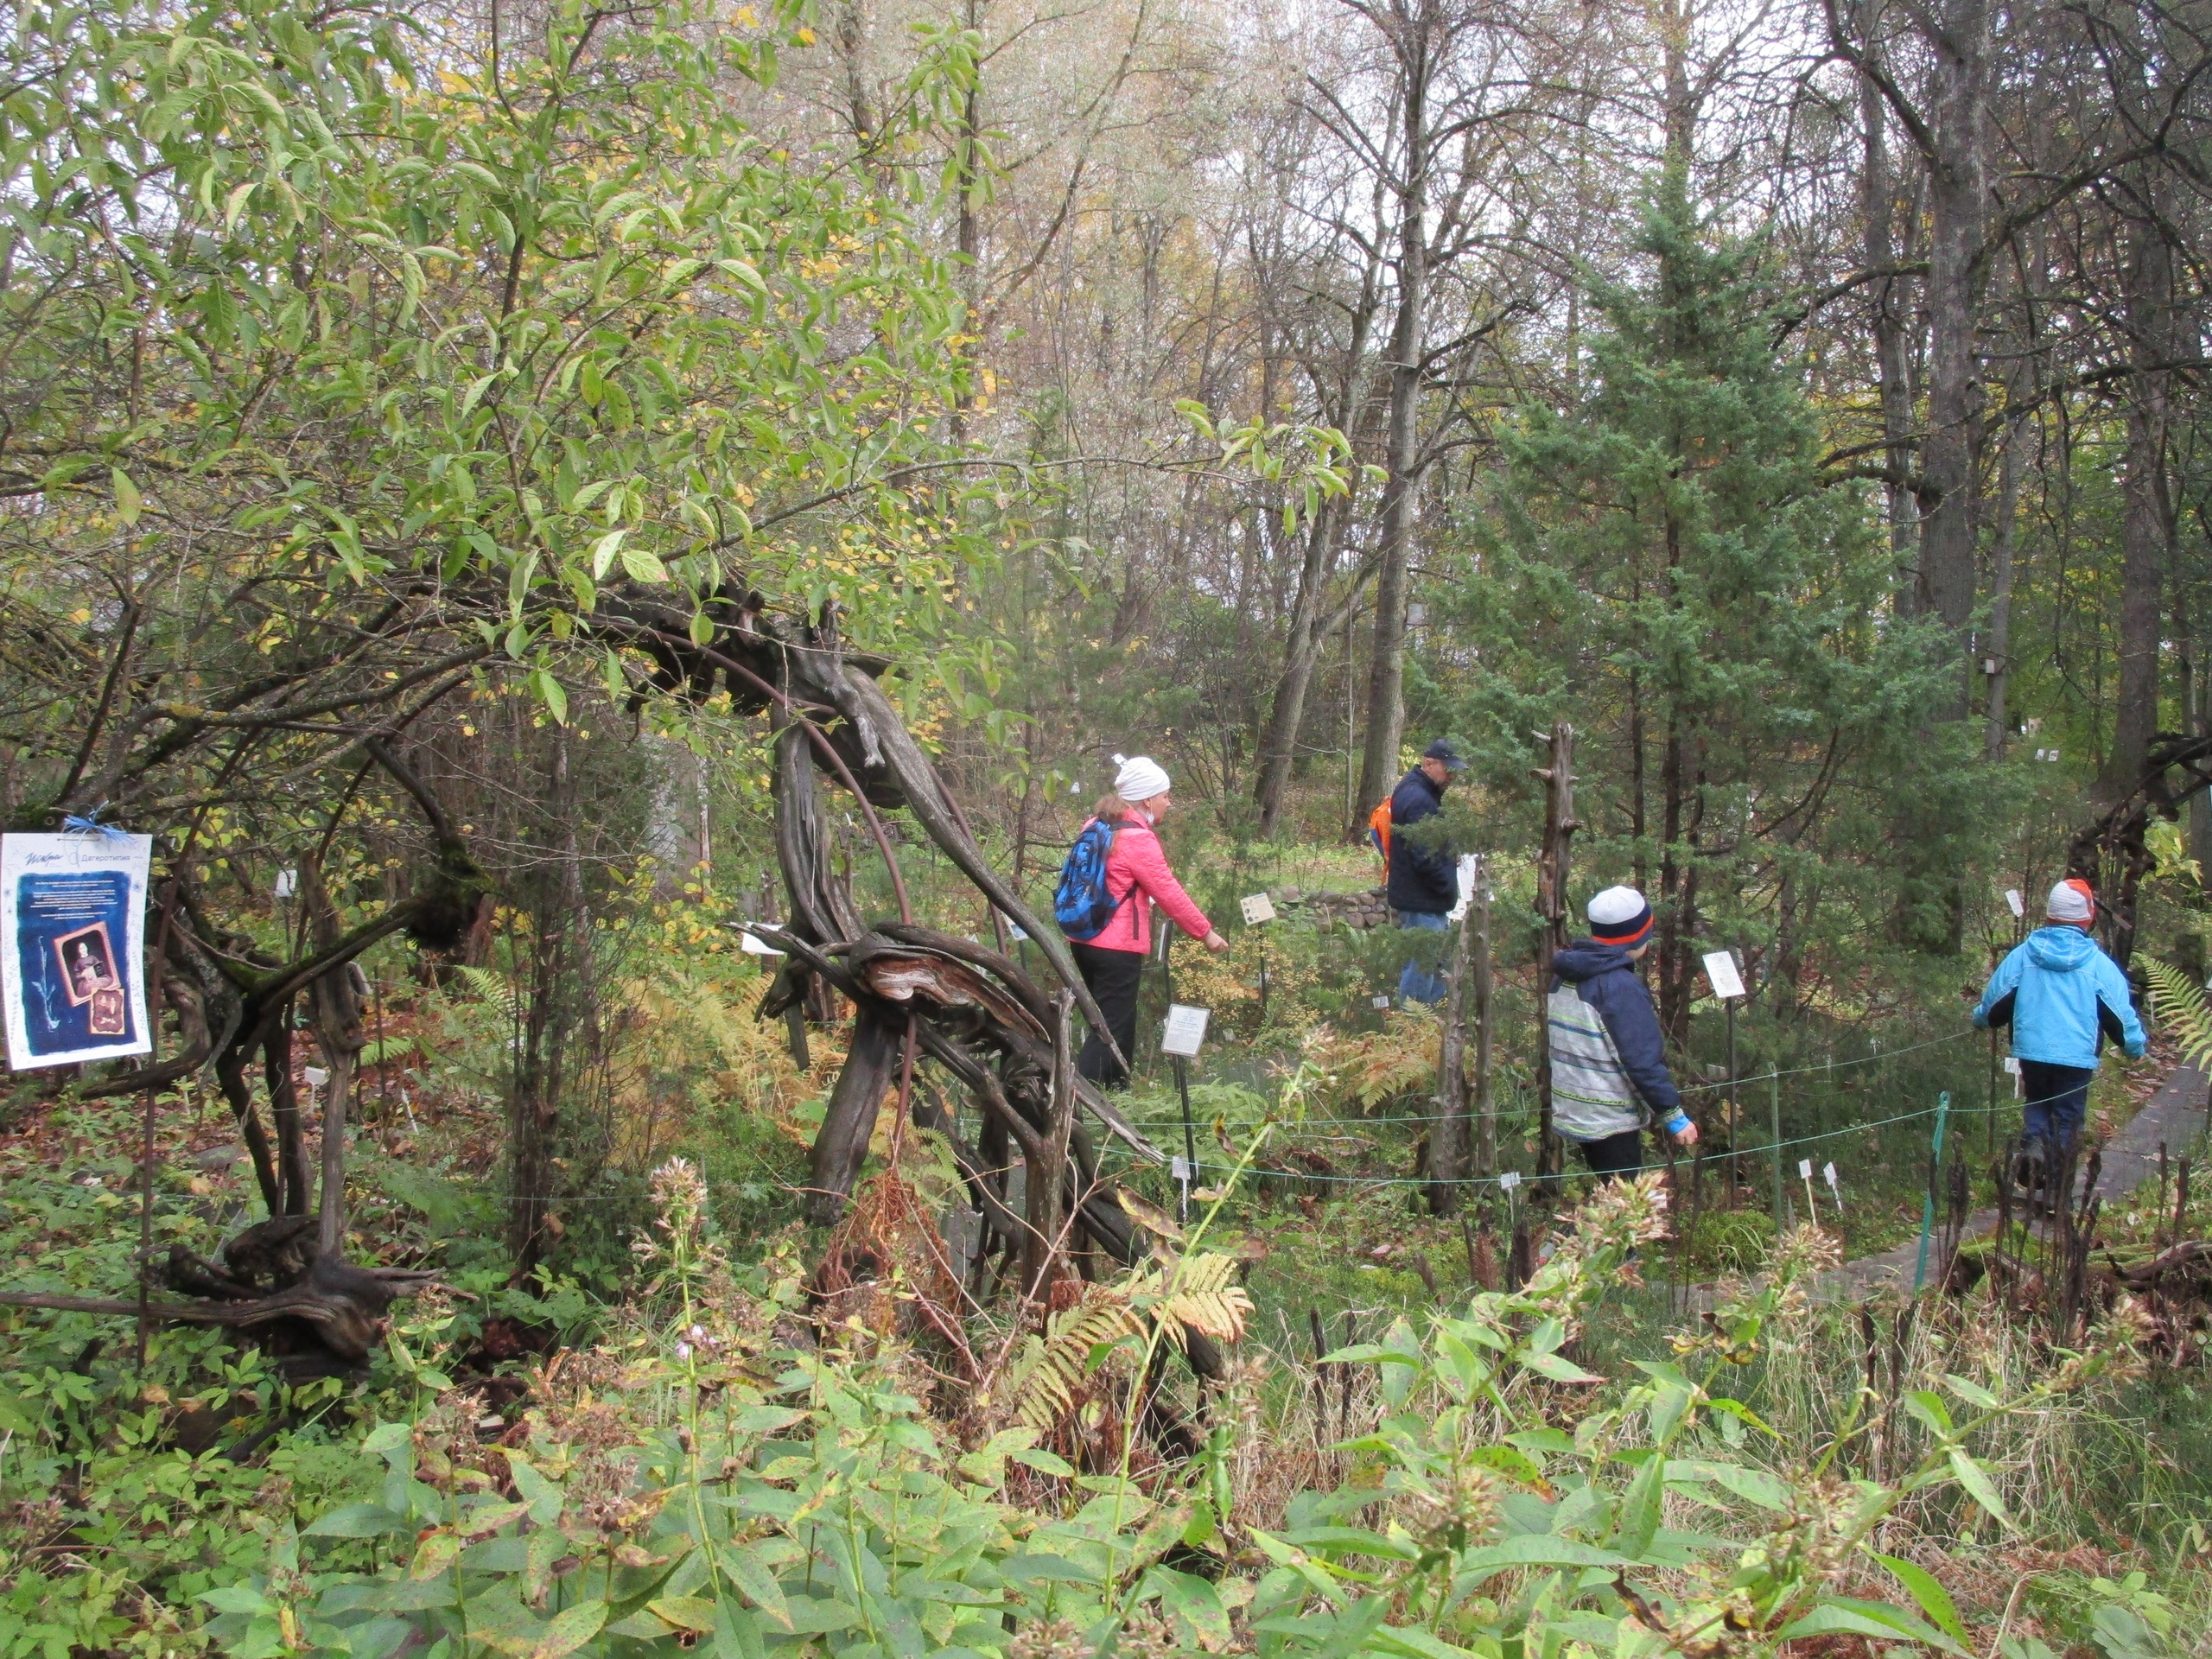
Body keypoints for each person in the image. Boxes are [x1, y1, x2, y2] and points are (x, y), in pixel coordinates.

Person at [1061, 755, 1229, 1088]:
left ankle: (1116, 1092)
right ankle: (1083, 1098)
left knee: (1107, 1022)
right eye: (1165, 796)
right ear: (1147, 799)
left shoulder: (1095, 825)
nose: (1169, 803)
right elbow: (1168, 892)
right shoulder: (1137, 839)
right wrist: (1205, 933)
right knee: (1111, 1026)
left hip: (1084, 940)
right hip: (1115, 946)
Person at [1974, 878, 2145, 1173]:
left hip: (2032, 1051)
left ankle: (2034, 1146)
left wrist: (1977, 1018)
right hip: (2076, 1057)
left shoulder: (2023, 955)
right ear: (2088, 917)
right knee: (2068, 1117)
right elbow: (2121, 1017)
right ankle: (2056, 1184)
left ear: (2049, 915)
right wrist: (2135, 1048)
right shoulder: (2098, 965)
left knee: (2038, 1101)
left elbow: (1993, 1004)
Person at [1548, 886, 1699, 1179]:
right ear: (1639, 935)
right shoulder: (1619, 988)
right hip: (1610, 1116)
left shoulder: (1564, 976)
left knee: (1609, 1196)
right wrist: (1674, 1117)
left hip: (1575, 1108)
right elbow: (1640, 1060)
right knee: (1624, 1205)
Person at [1386, 739, 1467, 1005]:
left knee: (1432, 963)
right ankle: (1413, 1027)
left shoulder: (1417, 791)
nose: (1451, 776)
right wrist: (1446, 887)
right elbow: (1424, 856)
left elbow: (1428, 847)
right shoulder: (1419, 799)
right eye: (1448, 769)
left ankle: (1425, 1023)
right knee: (1422, 964)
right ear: (1429, 763)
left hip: (1421, 897)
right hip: (1423, 899)